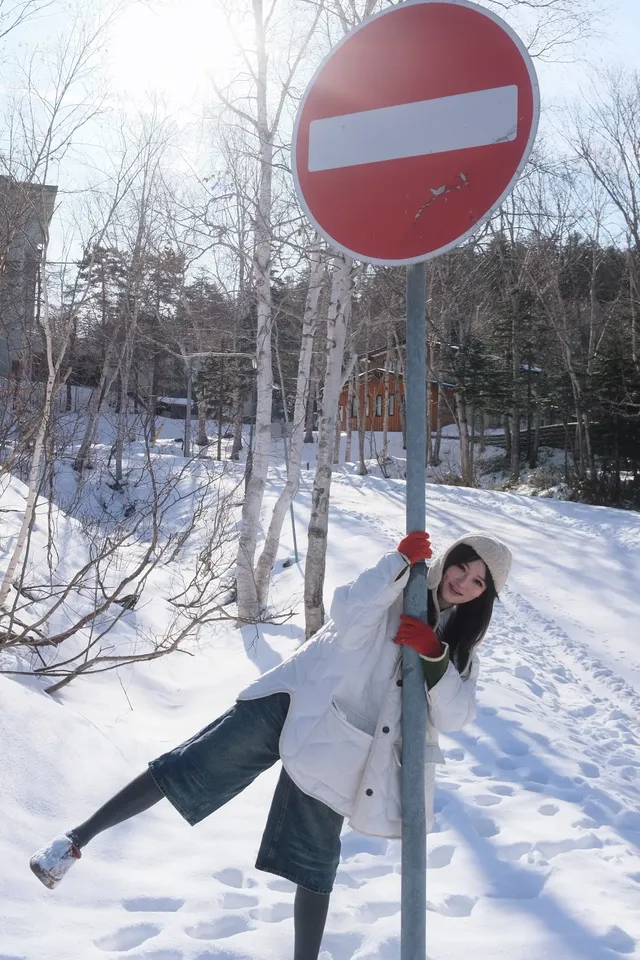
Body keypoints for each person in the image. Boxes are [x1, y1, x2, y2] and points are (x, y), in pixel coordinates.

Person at [30, 530, 511, 960]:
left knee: (314, 862)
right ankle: (72, 843)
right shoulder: (402, 586)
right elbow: (346, 613)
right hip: (296, 695)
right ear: (448, 559)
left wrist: (433, 654)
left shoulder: (459, 649)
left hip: (345, 740)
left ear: (485, 597)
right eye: (462, 566)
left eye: (478, 582)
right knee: (188, 767)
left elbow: (456, 714)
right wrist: (396, 564)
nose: (463, 581)